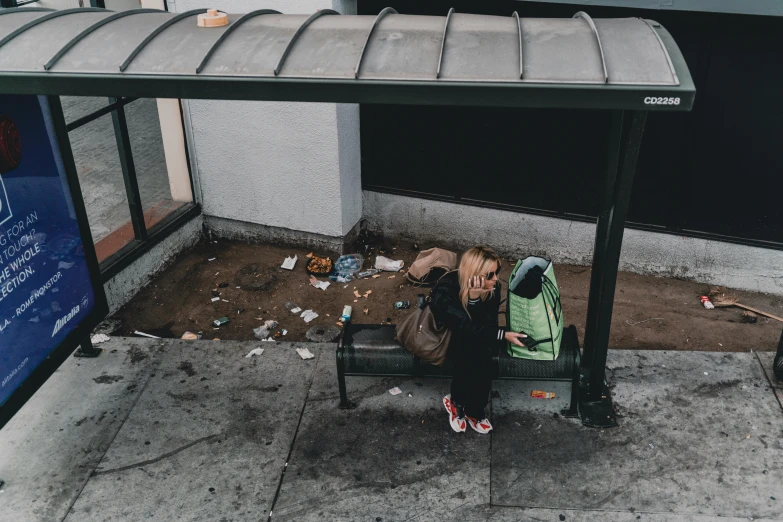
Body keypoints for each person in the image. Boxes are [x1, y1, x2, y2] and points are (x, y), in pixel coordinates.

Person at [430, 246, 528, 433]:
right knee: (471, 349)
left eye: (497, 272)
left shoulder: (493, 287)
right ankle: (461, 404)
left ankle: (471, 407)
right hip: (446, 338)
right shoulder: (447, 288)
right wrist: (473, 299)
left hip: (477, 338)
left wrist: (477, 301)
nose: (496, 279)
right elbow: (463, 325)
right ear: (474, 274)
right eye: (490, 274)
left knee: (479, 350)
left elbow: (487, 322)